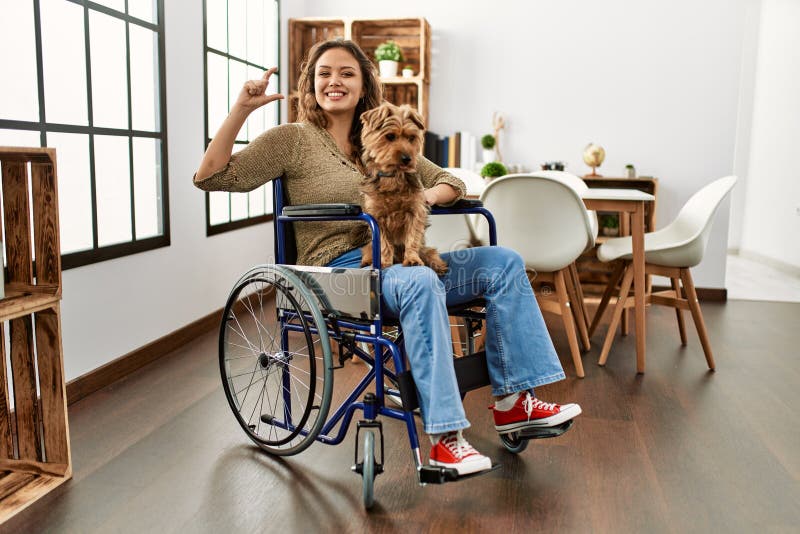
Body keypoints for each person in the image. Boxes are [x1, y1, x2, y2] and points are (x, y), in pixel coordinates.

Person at [194, 39, 581, 476]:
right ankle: (446, 440)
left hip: (400, 260)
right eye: (324, 73)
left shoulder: (385, 136)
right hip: (336, 271)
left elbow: (450, 180)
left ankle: (514, 404)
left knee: (504, 262)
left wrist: (420, 197)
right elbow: (212, 177)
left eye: (346, 73)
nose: (334, 81)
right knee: (420, 282)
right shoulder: (292, 140)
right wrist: (241, 110)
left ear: (363, 86)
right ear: (311, 83)